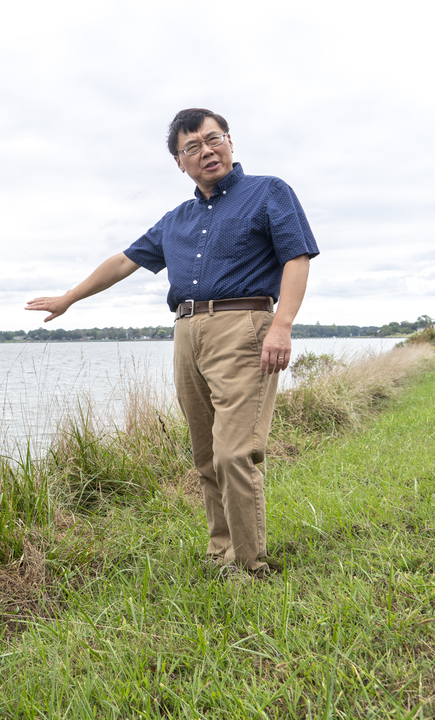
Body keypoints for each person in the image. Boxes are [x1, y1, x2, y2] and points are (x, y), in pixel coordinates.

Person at [26, 108, 319, 577]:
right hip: (186, 332)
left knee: (234, 451)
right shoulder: (175, 220)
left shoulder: (269, 191)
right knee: (205, 453)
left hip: (243, 325)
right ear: (179, 162)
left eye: (214, 138)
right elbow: (124, 262)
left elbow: (297, 257)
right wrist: (69, 298)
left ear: (229, 141)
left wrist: (282, 324)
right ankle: (220, 551)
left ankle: (248, 564)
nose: (207, 151)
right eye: (192, 147)